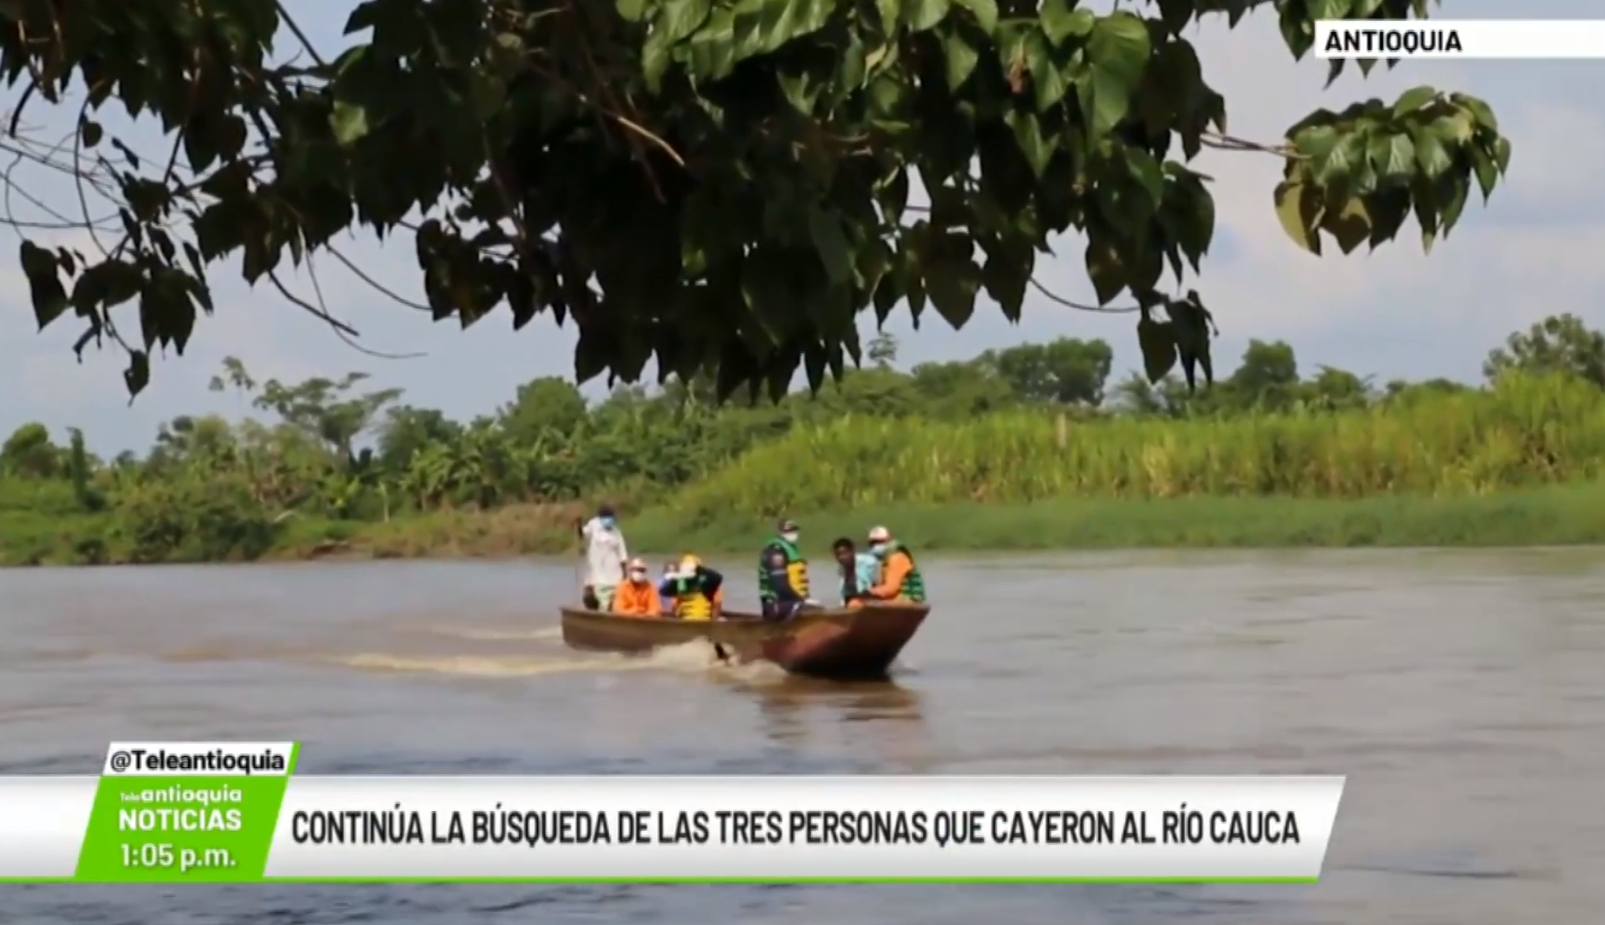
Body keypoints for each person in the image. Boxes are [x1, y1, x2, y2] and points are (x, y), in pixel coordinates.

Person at [575, 504, 628, 611]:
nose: (609, 520)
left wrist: (625, 575)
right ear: (600, 518)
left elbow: (623, 556)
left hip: (614, 574)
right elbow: (582, 534)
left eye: (611, 518)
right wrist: (578, 524)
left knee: (615, 602)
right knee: (595, 599)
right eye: (606, 517)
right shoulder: (594, 525)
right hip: (597, 574)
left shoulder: (616, 533)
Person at [758, 518, 813, 620]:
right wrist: (799, 600)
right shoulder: (775, 552)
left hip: (792, 602)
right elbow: (780, 584)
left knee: (816, 609)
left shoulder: (791, 549)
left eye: (794, 530)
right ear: (780, 533)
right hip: (776, 605)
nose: (792, 533)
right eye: (788, 531)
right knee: (813, 611)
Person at [864, 525, 927, 603]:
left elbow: (891, 588)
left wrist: (870, 592)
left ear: (888, 541)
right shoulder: (884, 561)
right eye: (873, 543)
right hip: (895, 599)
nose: (877, 546)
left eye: (880, 542)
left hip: (907, 599)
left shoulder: (897, 558)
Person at [664, 555, 725, 621]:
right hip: (703, 621)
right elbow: (717, 604)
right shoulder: (710, 582)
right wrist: (714, 622)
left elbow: (675, 607)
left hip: (685, 621)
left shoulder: (680, 583)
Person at [832, 537, 879, 607]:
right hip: (854, 603)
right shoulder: (841, 569)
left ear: (853, 551)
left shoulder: (868, 562)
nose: (841, 557)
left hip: (872, 600)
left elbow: (878, 583)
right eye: (838, 555)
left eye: (844, 553)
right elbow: (845, 595)